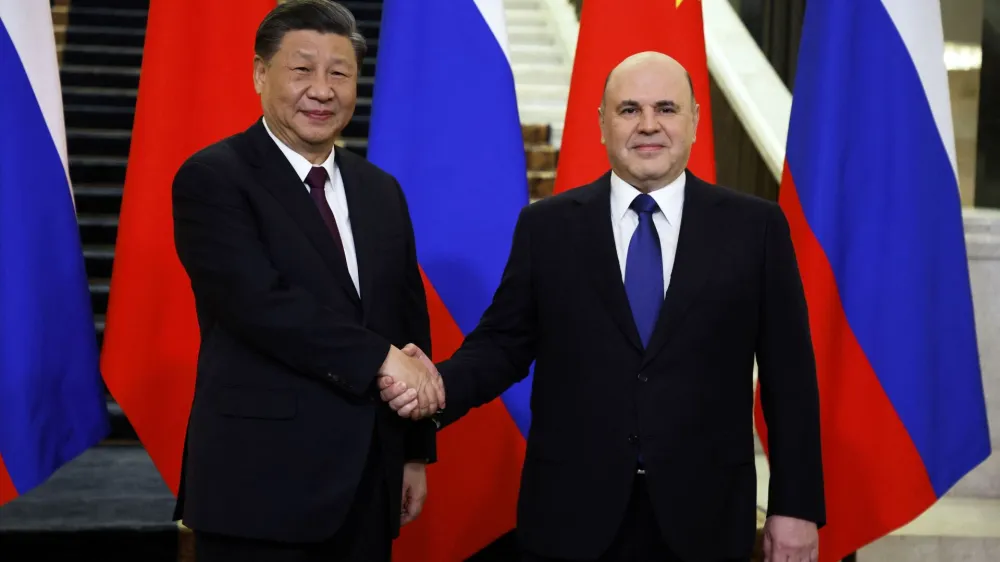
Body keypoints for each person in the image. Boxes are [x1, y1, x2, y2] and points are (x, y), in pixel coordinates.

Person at [380, 52, 825, 562]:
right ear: (602, 123)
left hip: (707, 519)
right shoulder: (547, 228)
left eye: (666, 108)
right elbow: (502, 347)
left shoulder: (756, 229)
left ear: (696, 120)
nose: (649, 125)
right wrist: (434, 386)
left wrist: (796, 506)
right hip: (571, 518)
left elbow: (790, 378)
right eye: (629, 109)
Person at [169, 1, 445, 560]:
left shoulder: (380, 190)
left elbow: (406, 321)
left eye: (339, 73)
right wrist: (380, 359)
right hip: (258, 484)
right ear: (259, 74)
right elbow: (258, 304)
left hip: (367, 479)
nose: (322, 90)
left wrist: (413, 451)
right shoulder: (213, 178)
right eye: (302, 70)